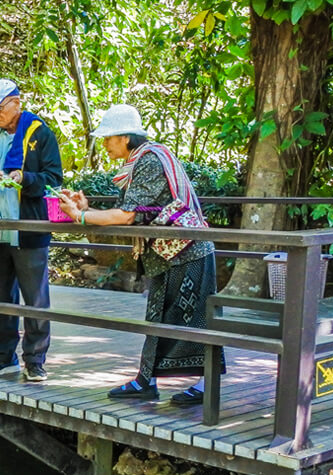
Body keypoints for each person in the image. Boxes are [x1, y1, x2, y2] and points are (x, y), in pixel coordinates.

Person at [57, 104, 222, 407]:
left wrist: (81, 216)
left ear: (124, 138)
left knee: (196, 320)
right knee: (158, 317)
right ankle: (147, 380)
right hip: (170, 254)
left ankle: (206, 384)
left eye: (108, 138)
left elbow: (127, 216)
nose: (105, 144)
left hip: (186, 251)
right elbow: (133, 212)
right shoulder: (141, 161)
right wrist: (86, 209)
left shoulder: (147, 162)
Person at [0, 78, 63, 382]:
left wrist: (26, 178)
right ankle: (2, 357)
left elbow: (53, 179)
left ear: (16, 103)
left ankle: (35, 360)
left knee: (35, 299)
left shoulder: (40, 134)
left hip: (29, 229)